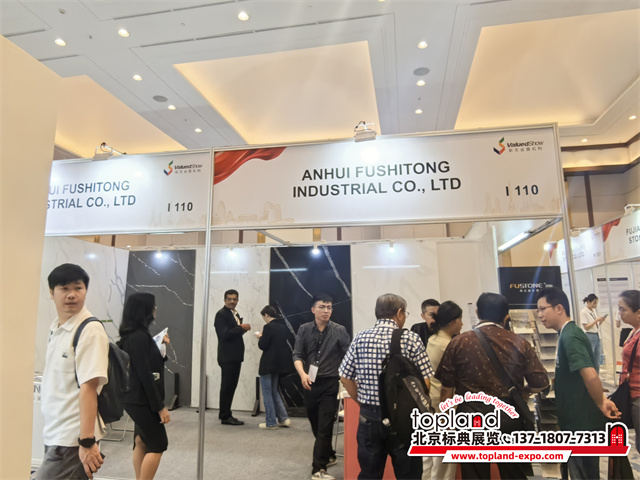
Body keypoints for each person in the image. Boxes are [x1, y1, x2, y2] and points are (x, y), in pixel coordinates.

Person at [437, 292, 549, 480]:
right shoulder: (519, 343)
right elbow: (541, 381)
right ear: (506, 317)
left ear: (477, 312)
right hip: (508, 416)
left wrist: (446, 422)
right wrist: (525, 393)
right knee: (513, 474)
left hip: (471, 418)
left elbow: (446, 390)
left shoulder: (458, 342)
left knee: (474, 475)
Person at [339, 293, 432, 480]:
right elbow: (425, 383)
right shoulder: (411, 339)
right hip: (404, 419)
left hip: (369, 417)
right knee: (409, 474)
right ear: (399, 313)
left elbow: (345, 377)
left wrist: (362, 402)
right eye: (405, 313)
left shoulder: (360, 338)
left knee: (369, 474)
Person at [536, 287, 620, 479]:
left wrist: (601, 402)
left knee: (584, 474)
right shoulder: (565, 333)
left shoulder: (571, 336)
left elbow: (590, 375)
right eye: (538, 310)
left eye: (542, 309)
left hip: (581, 424)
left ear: (559, 308)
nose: (540, 315)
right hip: (574, 422)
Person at [36, 264, 109, 480]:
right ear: (52, 293)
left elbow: (89, 387)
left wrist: (86, 441)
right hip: (55, 432)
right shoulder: (56, 327)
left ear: (86, 291)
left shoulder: (90, 330)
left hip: (72, 437)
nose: (71, 295)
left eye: (78, 288)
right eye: (64, 288)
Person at [293, 294, 351, 480]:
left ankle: (318, 468)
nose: (326, 311)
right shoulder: (304, 329)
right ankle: (329, 454)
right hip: (309, 381)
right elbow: (297, 355)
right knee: (316, 424)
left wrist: (347, 379)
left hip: (330, 383)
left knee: (325, 425)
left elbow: (348, 356)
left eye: (329, 307)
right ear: (313, 310)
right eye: (322, 307)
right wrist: (302, 374)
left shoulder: (339, 330)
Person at [118, 293, 171, 480]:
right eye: (152, 306)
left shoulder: (132, 335)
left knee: (141, 441)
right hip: (141, 399)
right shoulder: (139, 337)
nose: (155, 309)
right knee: (158, 445)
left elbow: (148, 364)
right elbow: (145, 375)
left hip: (134, 397)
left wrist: (160, 349)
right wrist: (159, 407)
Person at [422, 301, 462, 480]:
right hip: (445, 404)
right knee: (444, 458)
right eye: (460, 319)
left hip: (431, 401)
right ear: (452, 321)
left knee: (429, 457)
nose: (462, 323)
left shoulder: (433, 339)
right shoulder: (448, 345)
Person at [214, 289, 251, 425]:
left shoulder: (233, 313)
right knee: (228, 386)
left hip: (234, 356)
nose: (232, 301)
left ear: (237, 300)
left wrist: (242, 330)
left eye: (234, 299)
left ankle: (224, 413)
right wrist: (241, 327)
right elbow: (224, 334)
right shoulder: (221, 314)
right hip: (228, 356)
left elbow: (232, 333)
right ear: (224, 300)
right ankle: (225, 416)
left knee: (230, 386)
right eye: (229, 299)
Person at [257, 305, 295, 430]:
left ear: (266, 315)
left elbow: (263, 345)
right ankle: (283, 418)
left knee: (267, 393)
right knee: (274, 391)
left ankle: (270, 422)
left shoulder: (268, 327)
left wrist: (260, 337)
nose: (264, 320)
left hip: (268, 364)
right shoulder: (282, 327)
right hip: (278, 364)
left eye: (264, 317)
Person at [618, 289, 640, 453]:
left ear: (638, 313)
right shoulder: (634, 331)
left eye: (623, 309)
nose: (619, 313)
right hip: (631, 393)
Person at [580, 293, 606, 373]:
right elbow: (586, 327)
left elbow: (596, 326)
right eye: (594, 303)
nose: (595, 305)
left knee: (597, 361)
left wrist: (600, 321)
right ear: (588, 302)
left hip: (597, 335)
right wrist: (596, 320)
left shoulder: (593, 311)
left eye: (596, 303)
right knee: (590, 359)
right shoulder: (584, 312)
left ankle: (596, 377)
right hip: (589, 336)